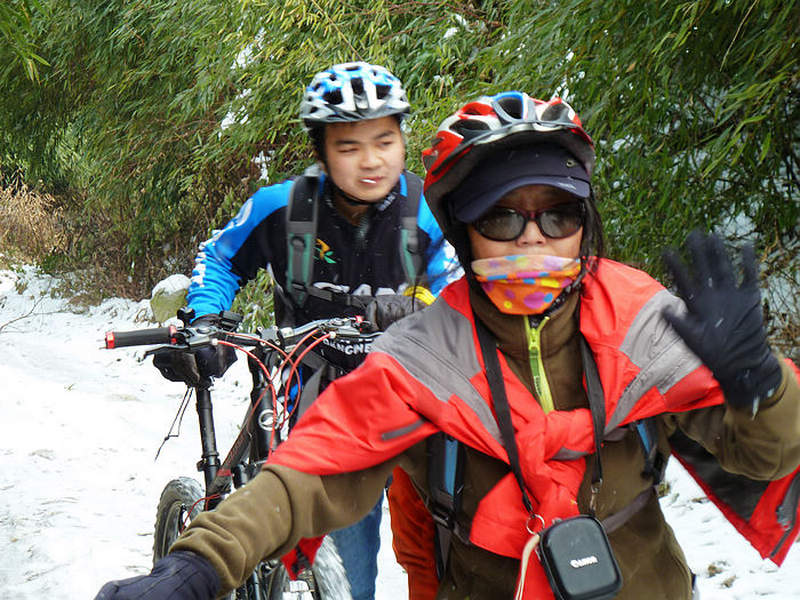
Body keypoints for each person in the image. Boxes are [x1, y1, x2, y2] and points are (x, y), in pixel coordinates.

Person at [97, 91, 800, 600]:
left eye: (558, 213)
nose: (533, 238)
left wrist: (762, 384)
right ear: (467, 231)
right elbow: (311, 471)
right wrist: (199, 565)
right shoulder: (422, 358)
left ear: (586, 222)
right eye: (503, 217)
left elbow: (769, 454)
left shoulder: (643, 321)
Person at [149, 61, 459, 600]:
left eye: (385, 141)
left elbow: (460, 289)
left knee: (445, 544)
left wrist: (420, 306)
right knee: (348, 564)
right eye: (349, 146)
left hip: (410, 393)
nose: (371, 161)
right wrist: (205, 320)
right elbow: (219, 258)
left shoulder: (425, 211)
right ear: (322, 151)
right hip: (312, 387)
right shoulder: (281, 208)